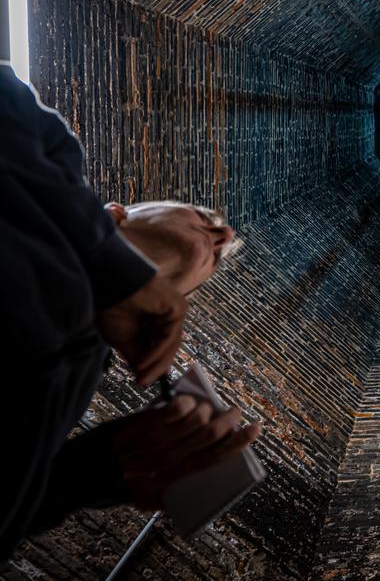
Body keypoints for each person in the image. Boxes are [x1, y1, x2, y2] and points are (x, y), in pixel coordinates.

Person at [0, 61, 260, 559]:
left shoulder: (76, 382)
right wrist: (104, 258)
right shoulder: (49, 157)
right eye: (205, 217)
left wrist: (89, 473)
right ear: (117, 210)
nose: (222, 234)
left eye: (217, 255)